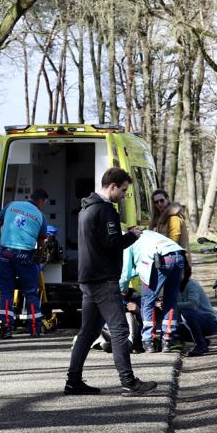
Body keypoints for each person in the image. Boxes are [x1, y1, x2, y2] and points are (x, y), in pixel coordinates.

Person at [65, 168, 157, 397]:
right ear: (112, 186)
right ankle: (129, 383)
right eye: (124, 190)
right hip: (103, 280)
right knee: (119, 330)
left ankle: (73, 382)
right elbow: (111, 243)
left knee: (88, 332)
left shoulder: (86, 208)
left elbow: (100, 241)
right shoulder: (105, 210)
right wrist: (132, 236)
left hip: (88, 278)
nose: (124, 195)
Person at [0, 189, 50, 338]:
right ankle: (34, 329)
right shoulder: (40, 216)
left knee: (6, 292)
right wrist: (40, 256)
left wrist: (0, 243)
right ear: (41, 201)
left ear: (30, 198)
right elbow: (42, 242)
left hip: (5, 253)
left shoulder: (11, 206)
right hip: (25, 255)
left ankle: (6, 328)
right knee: (31, 292)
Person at [120, 228, 187, 353]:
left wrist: (122, 290)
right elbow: (136, 269)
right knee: (171, 300)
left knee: (147, 301)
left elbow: (126, 272)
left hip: (159, 259)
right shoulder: (149, 234)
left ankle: (148, 341)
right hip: (178, 256)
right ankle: (167, 340)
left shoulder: (126, 241)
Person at [176, 265, 217, 357]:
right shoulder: (176, 287)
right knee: (174, 330)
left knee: (188, 314)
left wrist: (173, 306)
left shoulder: (192, 284)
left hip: (209, 321)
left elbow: (193, 305)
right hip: (191, 321)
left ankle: (200, 346)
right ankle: (203, 340)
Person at [151, 189, 192, 262]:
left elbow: (173, 243)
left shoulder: (173, 218)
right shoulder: (161, 218)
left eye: (161, 200)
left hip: (176, 259)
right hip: (168, 258)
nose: (159, 204)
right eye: (156, 202)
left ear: (167, 199)